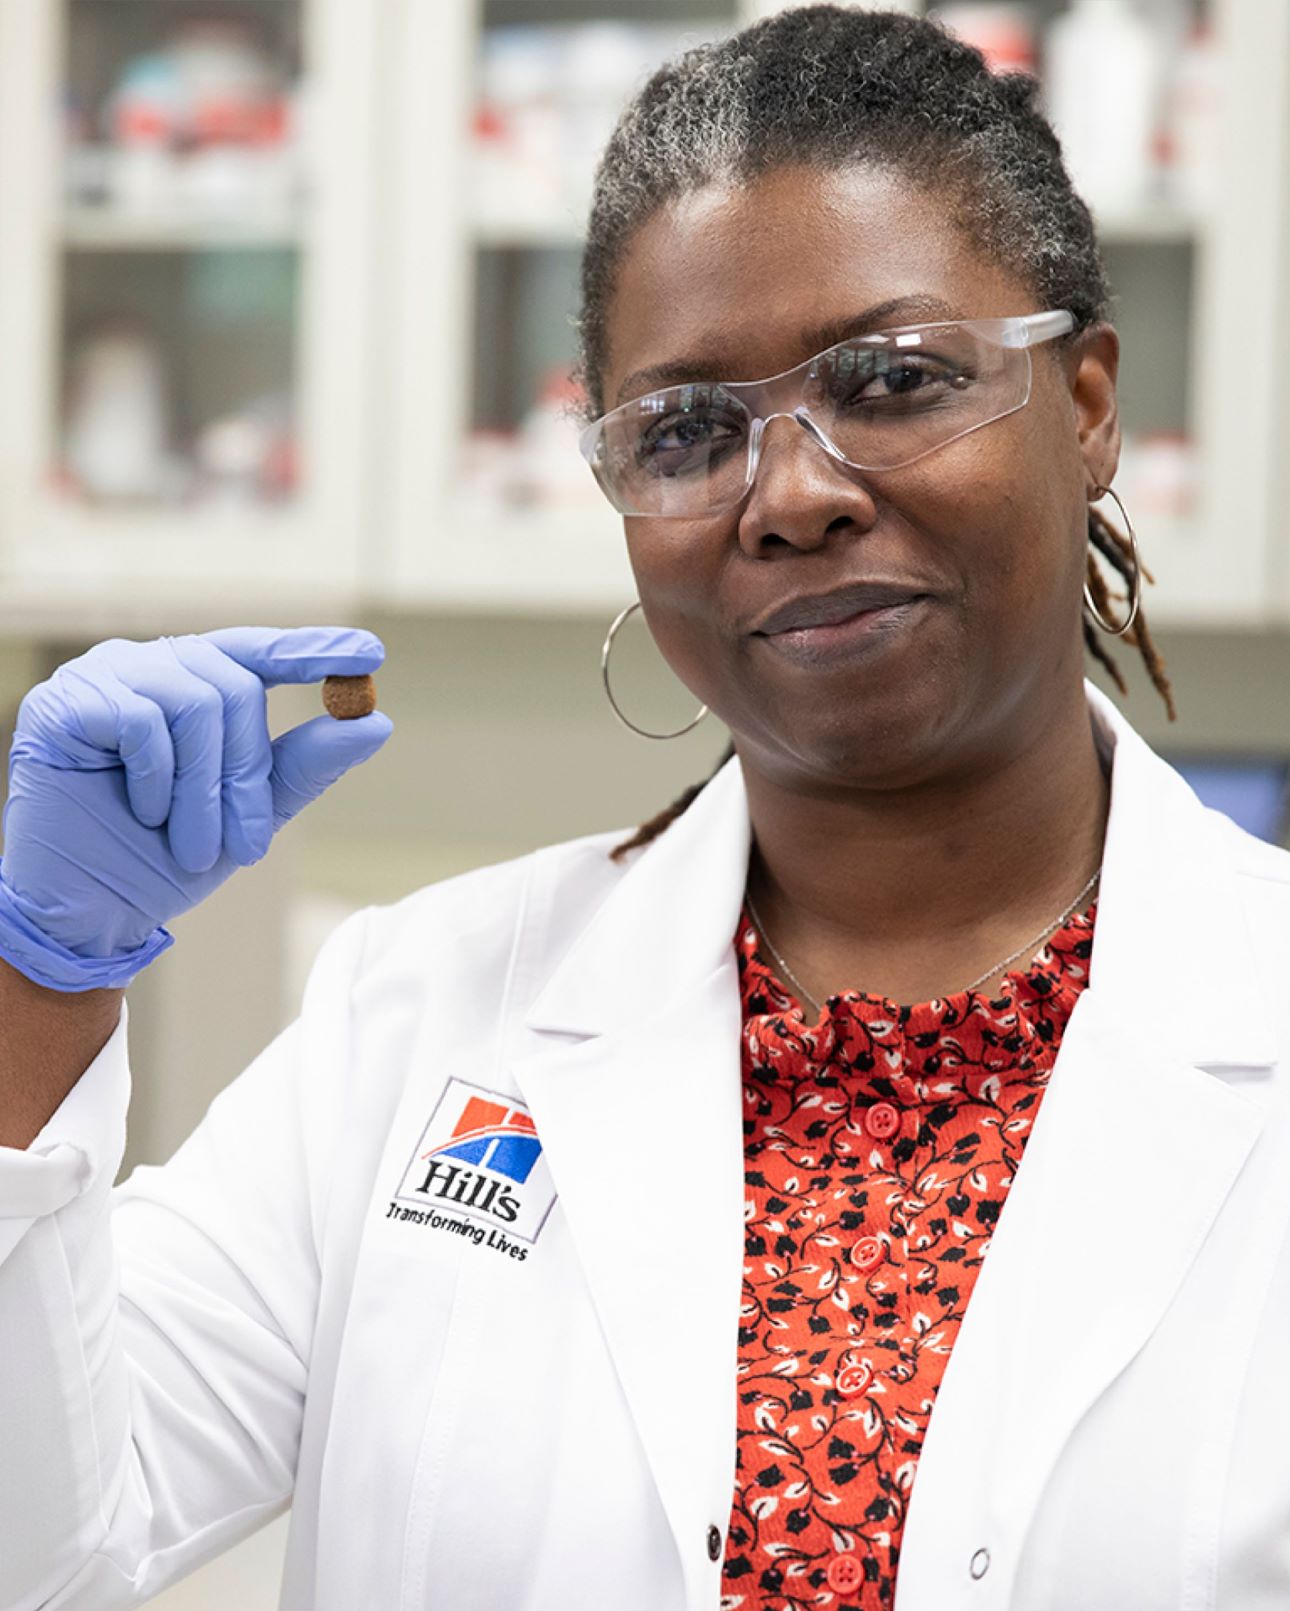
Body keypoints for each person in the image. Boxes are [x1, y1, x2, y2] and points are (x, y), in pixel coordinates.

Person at [1, 7, 1287, 1610]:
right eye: (686, 430)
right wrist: (43, 988)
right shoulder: (416, 1016)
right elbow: (40, 1551)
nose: (792, 494)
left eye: (889, 381)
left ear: (1086, 404)